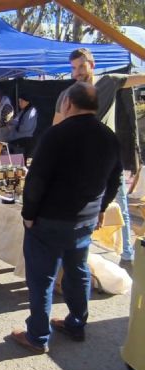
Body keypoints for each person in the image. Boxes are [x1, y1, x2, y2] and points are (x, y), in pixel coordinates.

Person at [11, 82, 122, 354]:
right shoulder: (108, 136)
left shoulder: (56, 134)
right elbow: (115, 179)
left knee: (42, 278)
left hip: (50, 220)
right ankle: (76, 323)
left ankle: (37, 336)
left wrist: (28, 215)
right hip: (83, 221)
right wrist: (101, 208)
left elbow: (36, 180)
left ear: (68, 104)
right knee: (78, 271)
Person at [54, 48, 145, 271]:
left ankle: (127, 255)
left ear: (92, 65)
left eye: (81, 67)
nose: (77, 73)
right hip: (80, 164)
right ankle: (80, 260)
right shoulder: (66, 95)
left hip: (107, 161)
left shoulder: (109, 82)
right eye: (73, 68)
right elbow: (55, 129)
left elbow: (140, 78)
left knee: (118, 205)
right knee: (82, 212)